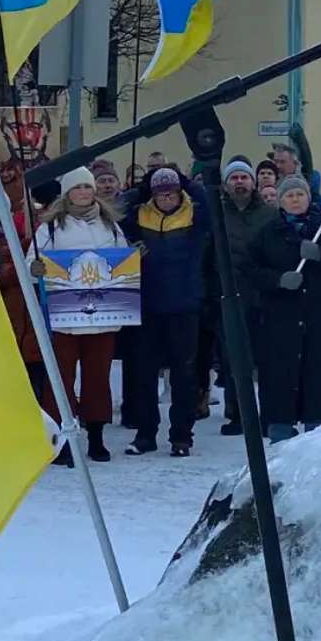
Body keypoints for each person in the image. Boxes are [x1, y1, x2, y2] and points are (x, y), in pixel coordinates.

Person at [248, 175, 321, 441]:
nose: (295, 200)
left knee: (318, 384)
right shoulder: (268, 232)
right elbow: (250, 271)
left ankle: (317, 437)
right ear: (280, 202)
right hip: (280, 323)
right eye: (289, 196)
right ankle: (280, 435)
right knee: (281, 385)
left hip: (318, 322)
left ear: (308, 198)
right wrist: (278, 280)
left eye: (299, 195)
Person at [31, 166, 128, 464]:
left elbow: (122, 263)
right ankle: (61, 441)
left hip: (102, 317)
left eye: (88, 187)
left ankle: (96, 438)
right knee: (60, 378)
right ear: (67, 193)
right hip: (65, 319)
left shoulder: (110, 226)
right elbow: (31, 266)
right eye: (78, 188)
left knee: (98, 378)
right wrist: (36, 270)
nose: (84, 193)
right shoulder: (49, 228)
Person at [122, 166, 212, 458]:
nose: (166, 199)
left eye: (172, 193)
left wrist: (188, 182)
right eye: (160, 194)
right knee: (144, 375)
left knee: (184, 376)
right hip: (148, 307)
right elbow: (120, 207)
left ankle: (181, 436)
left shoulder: (195, 215)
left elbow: (210, 203)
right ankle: (145, 434)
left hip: (185, 307)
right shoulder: (137, 217)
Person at [217, 157, 275, 434]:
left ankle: (267, 414)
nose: (239, 183)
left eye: (244, 178)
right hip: (230, 297)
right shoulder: (216, 214)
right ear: (226, 184)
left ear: (253, 182)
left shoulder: (269, 214)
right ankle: (238, 414)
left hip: (263, 297)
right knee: (234, 360)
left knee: (266, 360)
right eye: (234, 178)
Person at [0, 191, 48, 410]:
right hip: (2, 305)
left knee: (33, 357)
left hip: (26, 308)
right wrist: (17, 268)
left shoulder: (19, 232)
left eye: (0, 204)